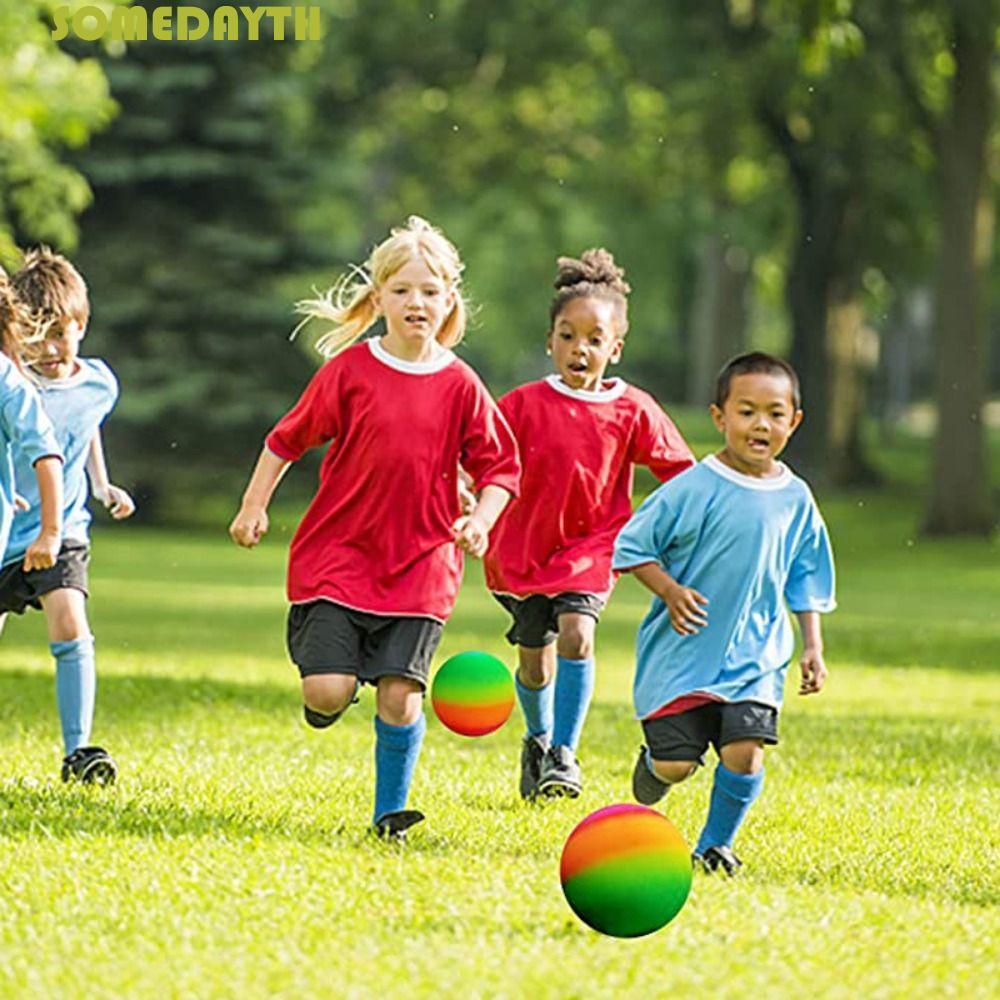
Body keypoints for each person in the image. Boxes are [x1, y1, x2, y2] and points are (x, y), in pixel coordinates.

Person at [229, 217, 520, 841]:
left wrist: (481, 519)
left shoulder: (462, 385)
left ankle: (390, 814)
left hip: (421, 565)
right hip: (339, 556)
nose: (417, 302)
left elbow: (501, 468)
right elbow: (287, 440)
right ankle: (328, 684)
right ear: (379, 297)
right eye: (402, 290)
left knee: (400, 697)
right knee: (329, 693)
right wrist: (254, 506)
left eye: (430, 291)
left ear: (449, 301)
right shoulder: (350, 372)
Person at [613, 352, 835, 875]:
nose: (761, 424)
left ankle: (714, 846)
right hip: (684, 654)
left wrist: (812, 645)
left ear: (794, 422)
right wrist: (669, 591)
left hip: (757, 655)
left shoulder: (796, 499)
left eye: (775, 414)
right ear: (720, 417)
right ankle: (654, 767)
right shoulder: (694, 487)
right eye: (747, 411)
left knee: (745, 752)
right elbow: (632, 546)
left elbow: (806, 574)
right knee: (677, 764)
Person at [483, 249, 693, 800]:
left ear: (615, 348)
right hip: (522, 550)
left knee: (577, 634)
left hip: (593, 547)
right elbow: (480, 457)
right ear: (550, 340)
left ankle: (564, 754)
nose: (581, 349)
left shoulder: (634, 408)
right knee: (535, 664)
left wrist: (678, 530)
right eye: (568, 335)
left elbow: (682, 476)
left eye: (595, 339)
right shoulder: (521, 404)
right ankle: (537, 738)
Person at [0, 249, 132, 785]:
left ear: (83, 325)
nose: (52, 349)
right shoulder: (13, 383)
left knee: (70, 620)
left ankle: (80, 750)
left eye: (65, 333)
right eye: (40, 336)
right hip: (9, 534)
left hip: (66, 528)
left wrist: (101, 485)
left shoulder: (99, 382)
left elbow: (84, 429)